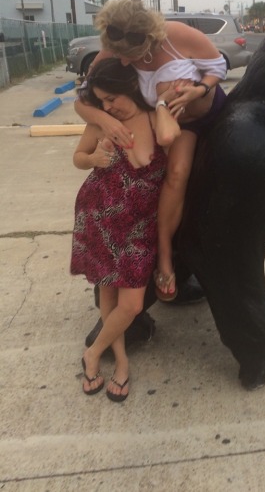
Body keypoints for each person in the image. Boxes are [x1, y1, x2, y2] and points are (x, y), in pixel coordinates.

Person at [75, 0, 227, 302]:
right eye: (119, 55)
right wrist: (103, 118)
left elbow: (218, 67)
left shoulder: (178, 35)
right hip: (164, 123)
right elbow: (82, 98)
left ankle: (168, 257)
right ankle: (152, 255)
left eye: (131, 55)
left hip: (199, 117)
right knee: (161, 177)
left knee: (183, 174)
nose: (125, 62)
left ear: (149, 38)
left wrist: (199, 89)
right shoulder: (113, 47)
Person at [71, 58, 176, 401]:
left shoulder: (153, 119)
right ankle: (120, 362)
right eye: (100, 101)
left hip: (140, 229)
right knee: (109, 295)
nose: (106, 106)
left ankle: (91, 354)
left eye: (111, 98)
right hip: (101, 218)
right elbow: (78, 157)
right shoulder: (104, 123)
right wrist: (95, 159)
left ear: (130, 87)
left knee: (130, 304)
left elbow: (174, 154)